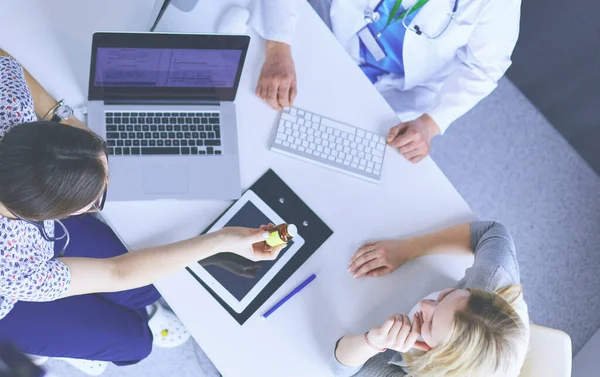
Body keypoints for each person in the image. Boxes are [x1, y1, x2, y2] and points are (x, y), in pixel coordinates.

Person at [0, 48, 283, 365]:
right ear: (54, 214)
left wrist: (66, 118)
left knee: (147, 289)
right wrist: (220, 240)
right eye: (96, 198)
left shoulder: (9, 106)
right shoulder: (20, 269)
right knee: (135, 344)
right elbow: (116, 272)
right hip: (7, 299)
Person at [251, 0, 521, 163]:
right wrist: (278, 49)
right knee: (257, 117)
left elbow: (484, 67)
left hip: (398, 91)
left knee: (332, 159)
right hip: (326, 33)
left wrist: (431, 123)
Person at [338, 221, 530, 376]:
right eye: (447, 295)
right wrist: (408, 249)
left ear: (436, 354)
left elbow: (346, 369)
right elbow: (493, 232)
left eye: (430, 324)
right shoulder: (494, 280)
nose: (424, 304)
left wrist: (374, 341)